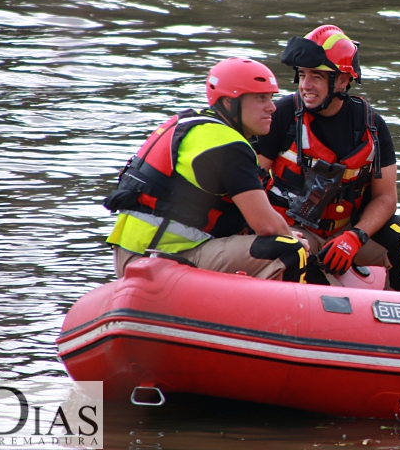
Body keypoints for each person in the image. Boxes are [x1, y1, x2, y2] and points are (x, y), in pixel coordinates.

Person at [103, 57, 313, 283]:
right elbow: (266, 224)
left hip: (136, 253)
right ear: (230, 103)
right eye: (260, 98)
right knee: (289, 247)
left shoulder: (192, 124)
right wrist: (291, 237)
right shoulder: (227, 144)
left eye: (271, 98)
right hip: (160, 257)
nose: (271, 107)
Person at [255, 25, 400, 292]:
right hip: (293, 230)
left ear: (343, 81)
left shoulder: (371, 125)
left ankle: (398, 321)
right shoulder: (282, 115)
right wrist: (282, 234)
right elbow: (250, 183)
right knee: (320, 287)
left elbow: (386, 198)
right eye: (302, 75)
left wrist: (355, 237)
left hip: (349, 229)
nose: (305, 85)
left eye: (317, 76)